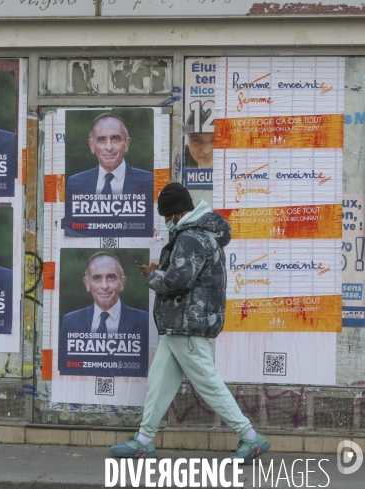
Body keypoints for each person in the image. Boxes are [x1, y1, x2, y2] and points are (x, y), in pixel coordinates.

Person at [109, 182, 270, 462]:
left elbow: (177, 281)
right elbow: (189, 277)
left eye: (166, 216)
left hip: (187, 323)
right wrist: (163, 271)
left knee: (207, 382)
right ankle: (144, 439)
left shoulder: (190, 238)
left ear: (176, 213)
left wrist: (152, 275)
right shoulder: (202, 235)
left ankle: (250, 437)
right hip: (180, 324)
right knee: (159, 382)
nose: (166, 222)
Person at [58, 252, 149, 376]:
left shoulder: (145, 321)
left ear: (122, 282)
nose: (104, 286)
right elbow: (65, 369)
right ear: (87, 284)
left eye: (111, 277)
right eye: (97, 278)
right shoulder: (71, 321)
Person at [65, 113, 153, 196]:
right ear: (91, 145)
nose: (109, 147)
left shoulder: (150, 181)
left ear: (127, 144)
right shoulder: (75, 183)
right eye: (101, 139)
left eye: (115, 139)